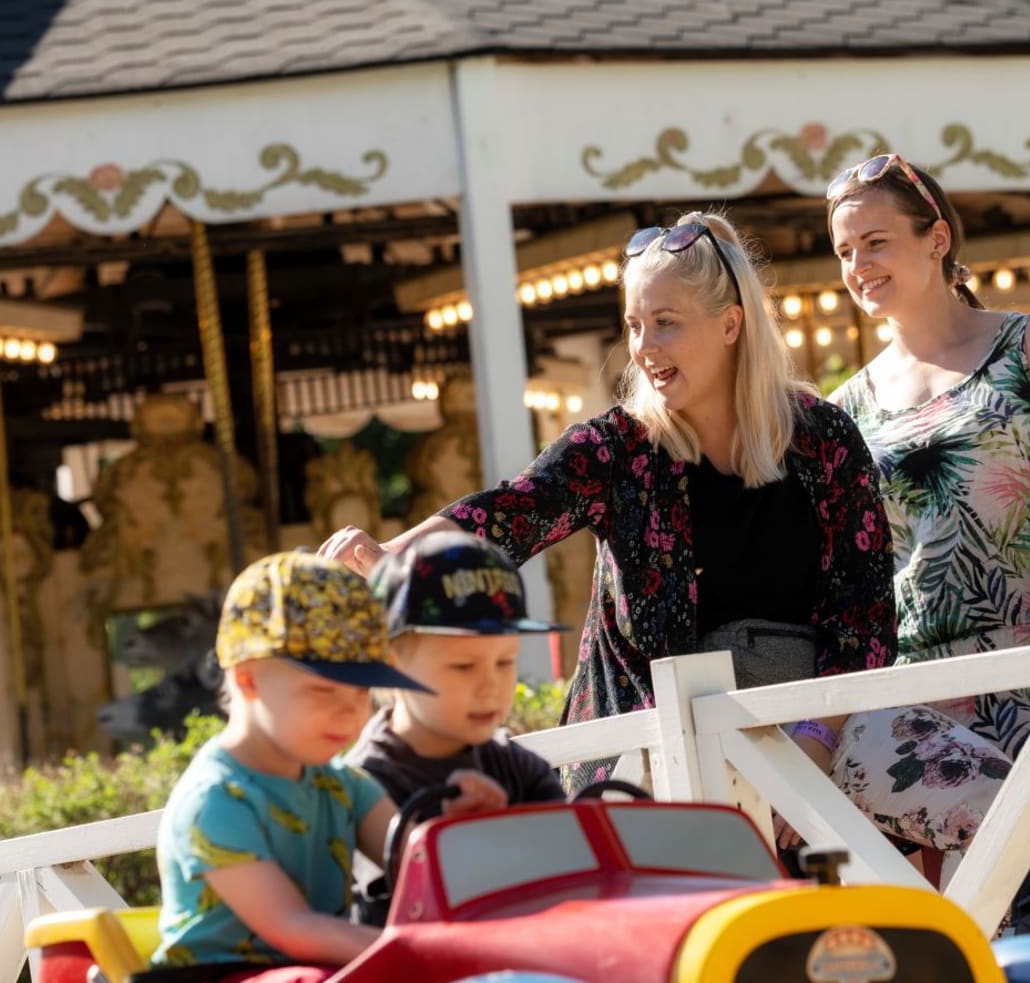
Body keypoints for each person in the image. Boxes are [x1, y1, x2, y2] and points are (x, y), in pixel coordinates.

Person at [328, 212, 895, 793]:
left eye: (665, 323)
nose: (644, 348)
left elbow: (866, 621)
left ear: (731, 325)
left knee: (967, 794)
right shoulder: (616, 448)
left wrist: (813, 746)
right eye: (634, 325)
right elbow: (510, 511)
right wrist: (392, 557)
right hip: (651, 751)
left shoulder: (822, 437)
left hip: (816, 728)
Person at [818, 153, 1030, 868]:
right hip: (929, 692)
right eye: (846, 250)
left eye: (877, 241)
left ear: (938, 239)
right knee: (997, 891)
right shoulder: (843, 410)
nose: (859, 264)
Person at [152, 552, 505, 979]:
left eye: (362, 693)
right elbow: (293, 928)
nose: (351, 713)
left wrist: (461, 832)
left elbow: (424, 873)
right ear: (248, 680)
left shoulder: (345, 786)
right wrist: (421, 951)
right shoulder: (216, 800)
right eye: (325, 690)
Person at [347, 529, 568, 922]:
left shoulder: (517, 767)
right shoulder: (367, 785)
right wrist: (452, 839)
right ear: (391, 663)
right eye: (463, 666)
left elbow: (571, 868)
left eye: (505, 662)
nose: (491, 686)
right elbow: (396, 923)